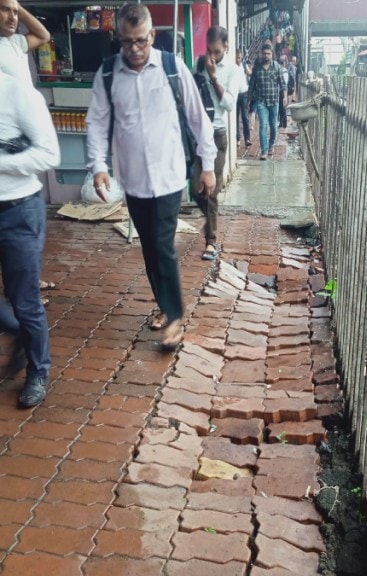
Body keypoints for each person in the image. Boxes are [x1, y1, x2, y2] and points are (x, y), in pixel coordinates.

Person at [86, 3, 216, 350]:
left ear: (152, 37)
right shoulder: (109, 74)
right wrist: (98, 165)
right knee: (149, 249)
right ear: (119, 39)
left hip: (170, 177)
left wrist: (208, 164)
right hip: (135, 181)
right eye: (127, 42)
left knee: (162, 246)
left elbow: (197, 116)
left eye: (140, 41)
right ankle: (164, 304)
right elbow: (97, 122)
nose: (134, 50)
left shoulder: (172, 68)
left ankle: (174, 318)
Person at [0, 69, 59, 407]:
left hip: (19, 210)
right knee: (20, 311)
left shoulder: (20, 95)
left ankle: (38, 371)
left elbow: (50, 155)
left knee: (24, 299)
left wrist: (4, 163)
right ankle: (21, 331)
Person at [191, 26, 241, 262]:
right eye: (209, 50)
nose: (212, 56)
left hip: (218, 133)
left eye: (217, 52)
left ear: (226, 47)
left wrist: (213, 77)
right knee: (195, 190)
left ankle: (211, 240)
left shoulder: (232, 69)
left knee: (210, 192)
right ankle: (211, 221)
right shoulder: (198, 63)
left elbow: (229, 105)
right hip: (198, 133)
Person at [250, 42, 284, 160]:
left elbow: (282, 84)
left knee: (273, 126)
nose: (266, 56)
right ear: (261, 54)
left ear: (272, 54)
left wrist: (284, 98)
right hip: (261, 101)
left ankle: (271, 144)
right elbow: (252, 85)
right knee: (263, 126)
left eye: (268, 54)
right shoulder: (257, 68)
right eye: (264, 53)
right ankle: (264, 151)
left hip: (274, 101)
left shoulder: (277, 67)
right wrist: (249, 101)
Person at [0, 0, 49, 81]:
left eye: (15, 12)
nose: (12, 18)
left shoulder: (15, 41)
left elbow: (44, 36)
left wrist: (17, 6)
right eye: (5, 9)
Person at [236, 51, 252, 147]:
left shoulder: (244, 65)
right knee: (236, 118)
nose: (238, 59)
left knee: (245, 117)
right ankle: (237, 138)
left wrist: (248, 71)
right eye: (237, 57)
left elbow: (251, 74)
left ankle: (247, 138)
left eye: (240, 58)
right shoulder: (232, 67)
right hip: (235, 95)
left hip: (244, 94)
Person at [278, 54, 290, 129]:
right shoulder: (282, 70)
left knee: (283, 108)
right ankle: (281, 123)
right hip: (280, 91)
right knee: (280, 108)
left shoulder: (284, 71)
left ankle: (284, 123)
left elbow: (284, 83)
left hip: (282, 92)